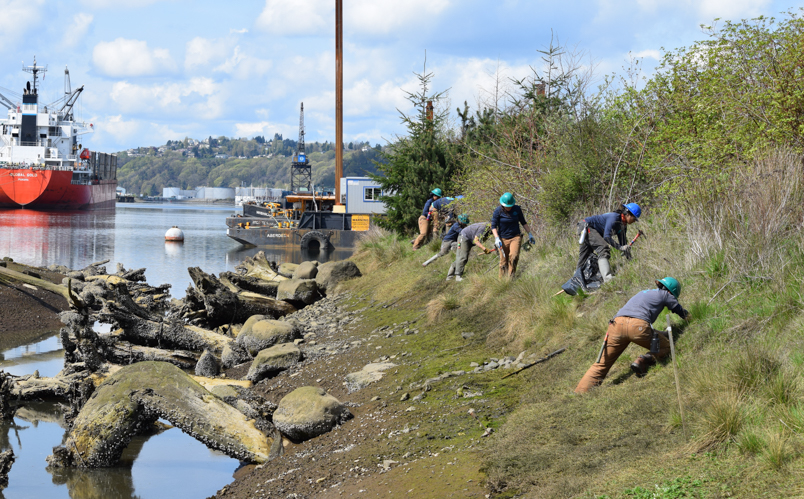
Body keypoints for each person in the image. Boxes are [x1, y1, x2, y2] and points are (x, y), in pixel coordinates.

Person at [574, 277, 690, 394]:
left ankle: (580, 392)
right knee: (666, 346)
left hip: (616, 324)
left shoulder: (643, 292)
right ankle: (644, 359)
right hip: (637, 327)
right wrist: (690, 318)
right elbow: (679, 310)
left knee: (601, 364)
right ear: (671, 291)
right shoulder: (666, 295)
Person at [577, 203, 640, 283]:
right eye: (634, 219)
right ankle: (608, 279)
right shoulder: (615, 218)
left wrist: (630, 259)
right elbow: (607, 237)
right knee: (603, 248)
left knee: (585, 257)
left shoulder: (623, 225)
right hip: (586, 227)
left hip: (587, 228)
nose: (634, 221)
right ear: (628, 215)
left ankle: (578, 281)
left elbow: (623, 244)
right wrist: (619, 247)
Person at [491, 193, 535, 279]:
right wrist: (496, 238)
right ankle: (502, 281)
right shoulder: (498, 211)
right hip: (502, 238)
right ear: (503, 205)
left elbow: (523, 222)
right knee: (503, 261)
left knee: (514, 257)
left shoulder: (517, 209)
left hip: (515, 237)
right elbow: (493, 226)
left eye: (510, 205)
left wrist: (530, 233)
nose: (509, 207)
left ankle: (511, 278)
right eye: (507, 206)